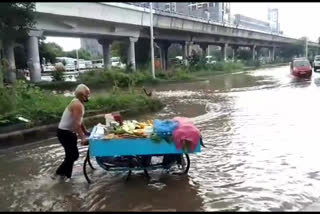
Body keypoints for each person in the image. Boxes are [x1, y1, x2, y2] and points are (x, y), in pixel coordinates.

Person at [52, 84, 91, 181]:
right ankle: (57, 174)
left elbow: (79, 120)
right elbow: (76, 123)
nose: (89, 96)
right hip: (65, 133)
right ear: (82, 95)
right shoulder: (77, 105)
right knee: (72, 156)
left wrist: (85, 131)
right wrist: (82, 138)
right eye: (87, 94)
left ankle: (66, 176)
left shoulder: (77, 102)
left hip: (67, 133)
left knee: (71, 156)